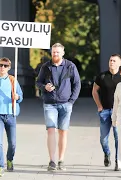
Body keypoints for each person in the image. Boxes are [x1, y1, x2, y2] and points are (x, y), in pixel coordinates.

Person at [36, 43, 81, 171]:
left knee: (63, 131)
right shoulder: (46, 67)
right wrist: (44, 87)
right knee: (51, 130)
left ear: (63, 53)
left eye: (57, 52)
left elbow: (77, 84)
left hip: (66, 104)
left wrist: (71, 101)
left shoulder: (70, 66)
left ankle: (61, 160)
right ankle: (52, 161)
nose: (55, 54)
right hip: (50, 104)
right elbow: (38, 82)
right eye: (53, 52)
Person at [92, 54, 121, 171]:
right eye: (110, 60)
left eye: (114, 61)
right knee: (103, 139)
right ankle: (107, 153)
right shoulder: (102, 76)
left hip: (118, 113)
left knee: (117, 137)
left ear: (119, 63)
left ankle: (117, 161)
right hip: (105, 111)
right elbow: (94, 90)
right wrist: (99, 106)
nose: (112, 62)